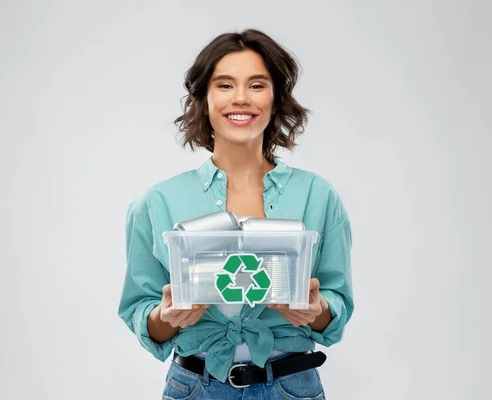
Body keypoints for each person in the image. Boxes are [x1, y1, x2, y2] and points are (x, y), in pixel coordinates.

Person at [118, 29, 354, 399]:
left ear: (276, 99)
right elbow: (141, 308)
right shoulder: (157, 202)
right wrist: (164, 318)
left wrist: (316, 308)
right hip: (195, 387)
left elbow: (336, 305)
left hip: (291, 387)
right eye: (225, 85)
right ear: (204, 99)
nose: (241, 98)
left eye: (257, 85)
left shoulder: (318, 196)